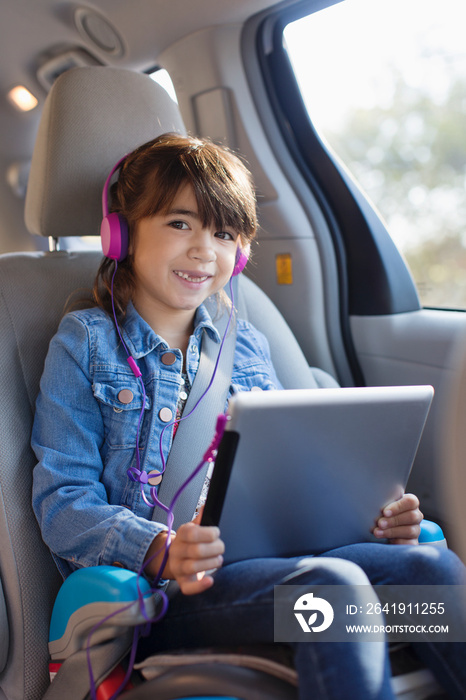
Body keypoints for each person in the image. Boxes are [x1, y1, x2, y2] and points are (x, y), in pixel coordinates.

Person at [32, 133, 466, 700]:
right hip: (166, 598)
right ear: (122, 231)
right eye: (180, 223)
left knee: (433, 574)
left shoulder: (247, 344)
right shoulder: (84, 344)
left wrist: (370, 517)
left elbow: (300, 472)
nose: (203, 251)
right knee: (332, 593)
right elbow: (63, 501)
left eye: (224, 233)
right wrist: (160, 548)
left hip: (281, 568)